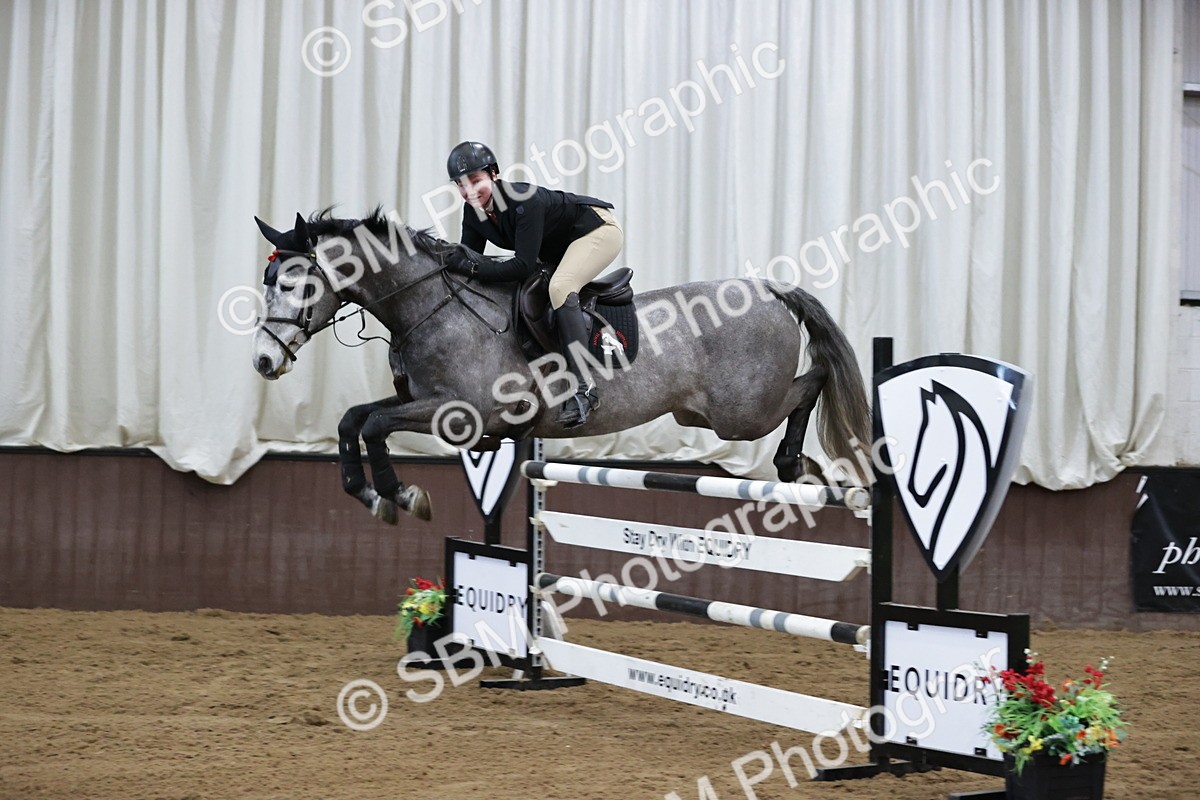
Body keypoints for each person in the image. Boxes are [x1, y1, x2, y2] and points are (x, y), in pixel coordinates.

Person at [444, 141, 624, 429]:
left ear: (494, 174)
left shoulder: (523, 201)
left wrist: (472, 266)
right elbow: (470, 260)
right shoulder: (473, 212)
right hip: (559, 247)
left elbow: (520, 266)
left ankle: (584, 388)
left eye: (476, 181)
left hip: (597, 230)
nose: (469, 192)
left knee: (560, 287)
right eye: (461, 186)